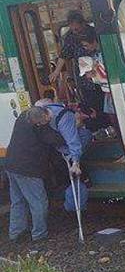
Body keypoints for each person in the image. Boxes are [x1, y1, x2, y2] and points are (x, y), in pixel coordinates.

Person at [5, 107, 66, 244]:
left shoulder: (22, 117)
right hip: (29, 170)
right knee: (38, 202)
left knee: (18, 200)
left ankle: (16, 233)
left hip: (11, 165)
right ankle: (39, 235)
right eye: (47, 120)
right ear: (39, 122)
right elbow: (57, 139)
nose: (49, 120)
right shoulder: (40, 127)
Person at [35, 90, 86, 177]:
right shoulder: (51, 112)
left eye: (41, 122)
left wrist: (75, 161)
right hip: (60, 148)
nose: (39, 124)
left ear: (45, 115)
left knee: (84, 135)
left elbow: (72, 140)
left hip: (62, 149)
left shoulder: (63, 117)